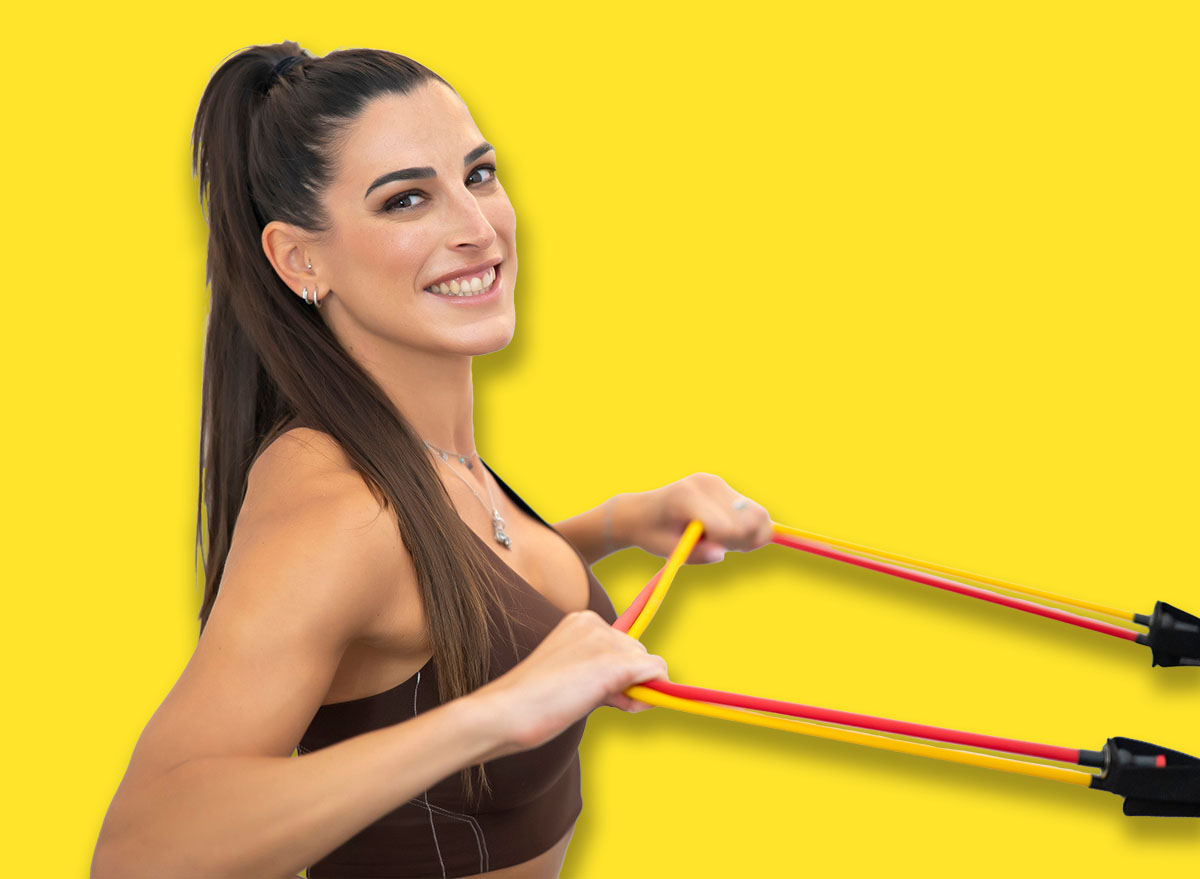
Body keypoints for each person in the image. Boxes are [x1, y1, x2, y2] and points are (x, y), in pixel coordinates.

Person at [91, 41, 773, 879]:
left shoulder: (418, 454)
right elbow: (140, 853)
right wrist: (497, 713)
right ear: (300, 259)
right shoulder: (335, 509)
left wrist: (619, 523)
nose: (478, 229)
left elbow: (432, 605)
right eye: (407, 199)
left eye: (478, 175)